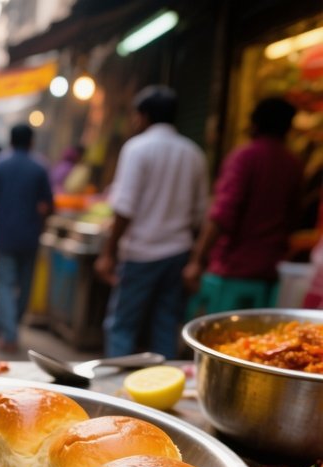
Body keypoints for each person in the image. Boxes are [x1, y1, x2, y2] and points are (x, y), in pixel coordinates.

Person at [95, 85, 207, 358]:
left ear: (143, 116)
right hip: (177, 252)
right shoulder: (193, 153)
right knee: (165, 325)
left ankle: (116, 393)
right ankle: (161, 392)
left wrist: (108, 253)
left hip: (141, 253)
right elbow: (200, 213)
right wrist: (193, 258)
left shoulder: (137, 149)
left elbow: (124, 207)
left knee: (122, 326)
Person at [183, 98, 303, 305]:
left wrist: (197, 259)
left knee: (222, 332)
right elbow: (294, 217)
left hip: (233, 269)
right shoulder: (293, 164)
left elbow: (222, 214)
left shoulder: (245, 157)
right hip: (269, 269)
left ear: (254, 124)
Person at [0, 124, 52, 353]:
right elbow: (48, 205)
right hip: (30, 236)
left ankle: (8, 332)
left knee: (5, 284)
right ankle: (4, 325)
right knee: (24, 287)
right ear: (32, 142)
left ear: (10, 141)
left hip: (5, 235)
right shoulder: (39, 168)